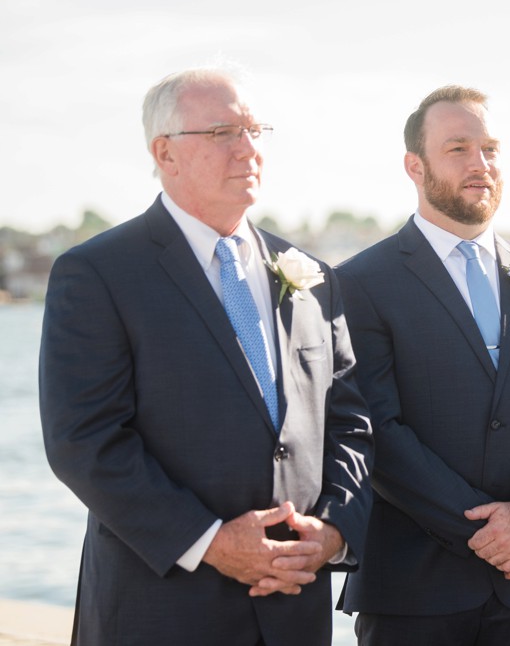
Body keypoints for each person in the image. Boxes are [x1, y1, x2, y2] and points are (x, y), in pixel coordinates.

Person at [39, 67, 373, 646]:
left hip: (293, 610)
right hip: (160, 610)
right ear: (165, 153)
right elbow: (84, 440)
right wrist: (212, 542)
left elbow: (350, 422)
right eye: (222, 132)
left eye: (254, 131)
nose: (248, 149)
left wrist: (336, 531)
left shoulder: (313, 276)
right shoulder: (98, 273)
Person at [334, 85, 510, 646]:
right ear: (415, 165)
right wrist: (489, 532)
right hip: (414, 587)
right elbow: (377, 428)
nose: (480, 164)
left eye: (491, 148)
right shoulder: (361, 284)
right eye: (458, 148)